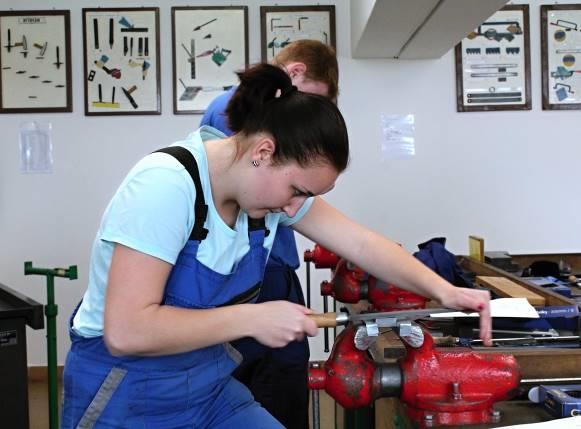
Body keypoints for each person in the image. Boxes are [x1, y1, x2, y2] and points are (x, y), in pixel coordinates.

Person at [61, 63, 492, 429]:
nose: (295, 207)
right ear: (264, 152)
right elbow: (127, 331)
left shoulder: (271, 197)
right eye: (296, 190)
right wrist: (253, 318)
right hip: (128, 391)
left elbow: (360, 242)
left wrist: (446, 292)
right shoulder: (166, 185)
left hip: (207, 385)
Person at [200, 39, 338, 428]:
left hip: (269, 269)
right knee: (274, 391)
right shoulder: (233, 117)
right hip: (257, 274)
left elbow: (351, 237)